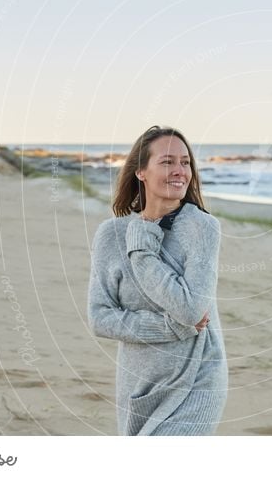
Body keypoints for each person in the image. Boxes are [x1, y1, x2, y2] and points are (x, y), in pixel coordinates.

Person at [87, 125, 227, 435]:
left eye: (185, 162)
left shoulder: (202, 228)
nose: (180, 171)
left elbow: (191, 310)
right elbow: (99, 317)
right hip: (138, 385)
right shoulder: (110, 236)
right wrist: (168, 327)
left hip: (198, 377)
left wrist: (142, 251)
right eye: (167, 162)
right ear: (141, 172)